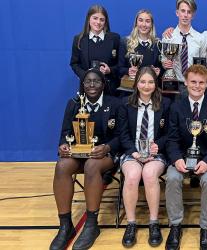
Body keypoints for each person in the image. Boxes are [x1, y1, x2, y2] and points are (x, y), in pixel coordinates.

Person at [50, 68, 121, 250]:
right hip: (79, 153)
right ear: (82, 85)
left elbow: (122, 136)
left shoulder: (115, 103)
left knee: (91, 166)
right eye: (87, 81)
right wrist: (64, 145)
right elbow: (65, 132)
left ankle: (91, 224)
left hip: (104, 154)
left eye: (96, 81)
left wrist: (106, 147)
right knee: (62, 166)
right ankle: (65, 225)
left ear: (103, 84)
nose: (91, 85)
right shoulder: (73, 104)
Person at [165, 65, 207, 250]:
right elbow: (171, 139)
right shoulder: (176, 107)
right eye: (193, 82)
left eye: (201, 82)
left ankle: (206, 228)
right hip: (182, 157)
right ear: (186, 82)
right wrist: (176, 159)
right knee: (173, 177)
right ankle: (175, 225)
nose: (197, 86)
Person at [117, 67, 171, 247]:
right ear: (136, 83)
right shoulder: (125, 104)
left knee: (149, 174)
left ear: (156, 84)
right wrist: (133, 151)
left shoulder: (166, 104)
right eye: (142, 82)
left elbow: (170, 134)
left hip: (156, 154)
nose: (146, 86)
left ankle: (153, 222)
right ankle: (131, 223)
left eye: (150, 82)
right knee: (132, 176)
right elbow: (122, 134)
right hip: (132, 152)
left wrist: (158, 145)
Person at [70, 5, 120, 95]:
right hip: (87, 89)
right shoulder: (79, 39)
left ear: (105, 22)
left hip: (110, 90)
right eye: (95, 18)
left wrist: (110, 70)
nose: (98, 22)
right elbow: (74, 64)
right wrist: (86, 76)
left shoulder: (115, 38)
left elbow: (120, 65)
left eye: (102, 19)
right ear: (89, 19)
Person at [161, 0, 206, 95]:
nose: (185, 15)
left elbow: (203, 65)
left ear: (193, 15)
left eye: (189, 12)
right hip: (172, 83)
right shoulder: (168, 36)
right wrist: (164, 63)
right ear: (177, 13)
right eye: (183, 11)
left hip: (192, 86)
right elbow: (163, 58)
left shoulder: (200, 38)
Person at [118, 10, 162, 86]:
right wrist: (128, 71)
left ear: (151, 24)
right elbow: (119, 69)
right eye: (140, 20)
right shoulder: (125, 42)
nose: (144, 24)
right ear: (136, 23)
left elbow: (161, 68)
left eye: (147, 21)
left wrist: (159, 71)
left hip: (150, 89)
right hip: (130, 90)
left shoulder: (157, 44)